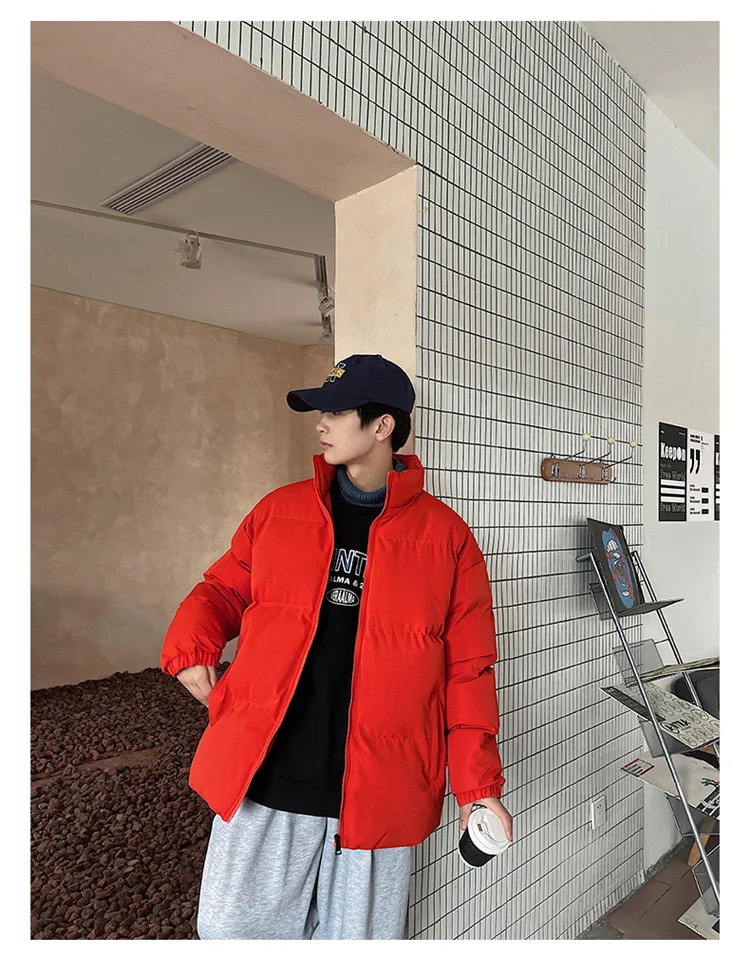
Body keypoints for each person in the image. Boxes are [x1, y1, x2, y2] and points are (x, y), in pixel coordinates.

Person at [160, 353, 512, 940]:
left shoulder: (447, 539)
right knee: (230, 932)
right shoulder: (279, 511)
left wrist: (479, 788)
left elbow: (468, 672)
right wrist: (193, 645)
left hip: (378, 793)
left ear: (383, 426)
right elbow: (222, 589)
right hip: (268, 774)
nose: (321, 424)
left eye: (337, 411)